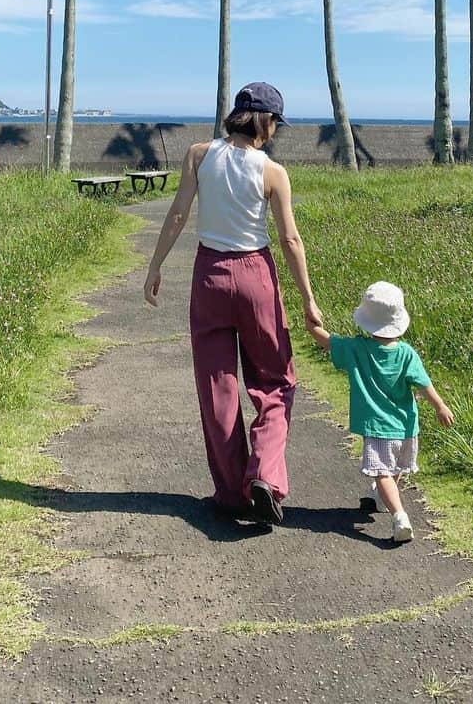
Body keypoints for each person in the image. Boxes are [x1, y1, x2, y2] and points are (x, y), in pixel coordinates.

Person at [143, 83, 322, 526]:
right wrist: (308, 300)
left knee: (217, 386)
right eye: (276, 123)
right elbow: (289, 239)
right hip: (255, 275)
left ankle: (229, 493)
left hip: (209, 275)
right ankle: (263, 474)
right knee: (276, 381)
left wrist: (155, 266)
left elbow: (180, 213)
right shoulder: (272, 171)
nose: (276, 131)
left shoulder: (199, 155)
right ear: (265, 122)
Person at [307, 280, 454, 543]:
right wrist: (440, 406)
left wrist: (311, 320)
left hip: (377, 427)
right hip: (406, 426)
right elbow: (423, 383)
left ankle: (400, 517)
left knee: (382, 472)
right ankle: (381, 498)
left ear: (366, 320)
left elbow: (324, 340)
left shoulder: (356, 348)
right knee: (395, 468)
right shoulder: (407, 354)